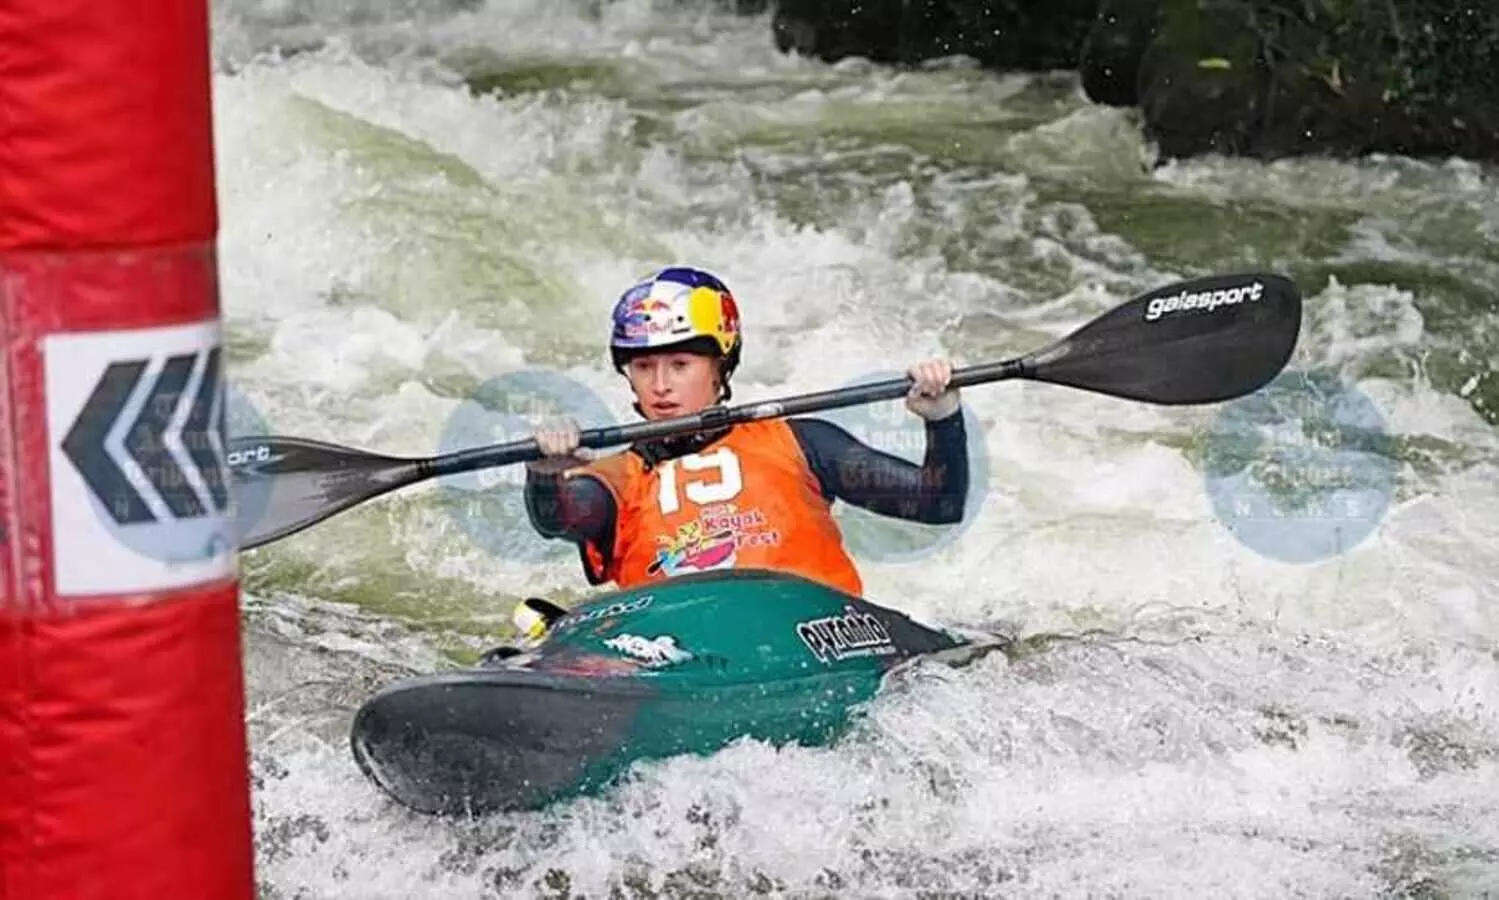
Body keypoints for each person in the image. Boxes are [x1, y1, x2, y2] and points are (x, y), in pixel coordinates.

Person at [521, 265, 971, 607]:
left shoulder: (800, 443)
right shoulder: (617, 477)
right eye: (643, 367)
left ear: (720, 368)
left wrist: (943, 418)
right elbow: (560, 518)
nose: (660, 385)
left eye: (680, 365)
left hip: (808, 627)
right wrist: (545, 475)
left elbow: (939, 503)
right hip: (679, 647)